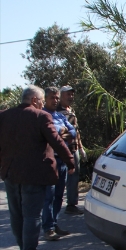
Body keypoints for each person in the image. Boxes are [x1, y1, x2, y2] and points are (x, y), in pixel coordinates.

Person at [0, 85, 75, 250]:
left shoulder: (4, 115)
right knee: (32, 216)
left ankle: (23, 249)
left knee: (17, 215)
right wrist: (70, 161)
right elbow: (56, 142)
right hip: (34, 175)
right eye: (41, 100)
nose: (42, 104)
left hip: (10, 173)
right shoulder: (41, 116)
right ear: (34, 100)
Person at [42, 87, 77, 241]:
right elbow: (50, 134)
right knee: (48, 196)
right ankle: (48, 228)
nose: (55, 100)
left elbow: (73, 132)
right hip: (50, 161)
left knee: (58, 195)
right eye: (52, 98)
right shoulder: (42, 116)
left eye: (56, 98)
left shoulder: (60, 116)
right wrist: (60, 132)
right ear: (45, 99)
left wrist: (60, 133)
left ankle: (54, 223)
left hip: (62, 160)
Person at [57, 86, 85, 216]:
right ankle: (55, 204)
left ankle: (71, 204)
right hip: (62, 149)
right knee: (61, 177)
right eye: (68, 94)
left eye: (72, 94)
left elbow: (76, 131)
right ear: (61, 96)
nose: (70, 97)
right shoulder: (56, 111)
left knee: (74, 176)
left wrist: (80, 147)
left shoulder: (71, 111)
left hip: (74, 149)